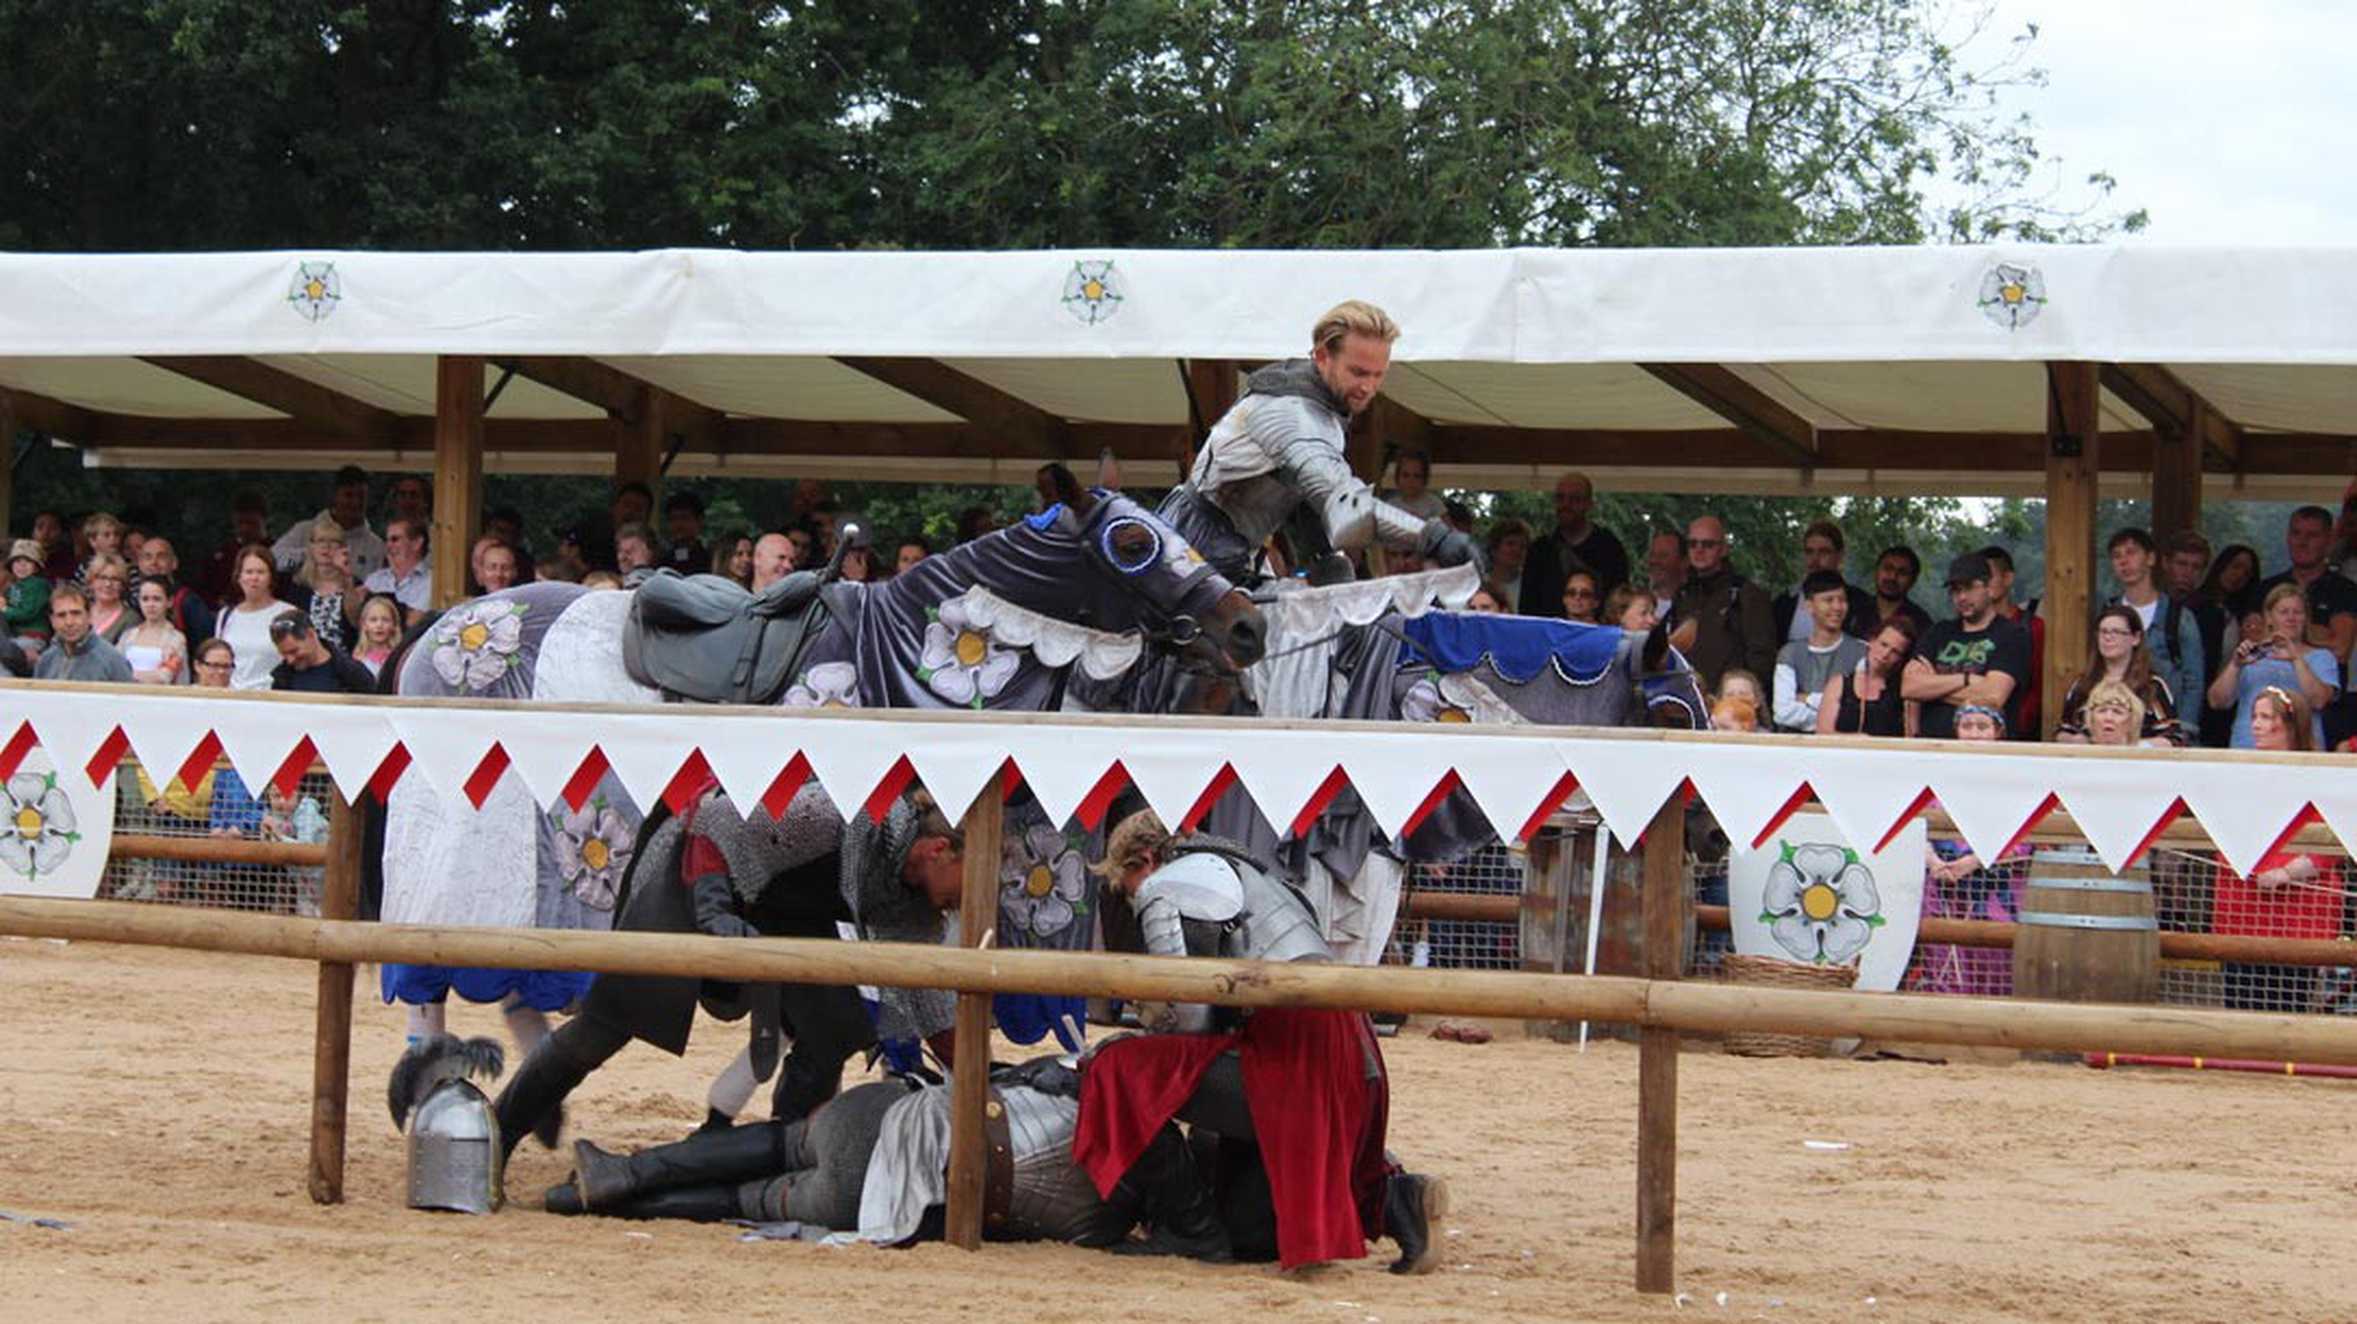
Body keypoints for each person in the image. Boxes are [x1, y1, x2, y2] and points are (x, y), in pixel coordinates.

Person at [492, 785, 968, 1160]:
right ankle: (497, 1134)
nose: (962, 905)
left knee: (834, 1025)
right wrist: (712, 907)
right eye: (968, 880)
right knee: (611, 1022)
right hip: (695, 872)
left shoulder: (916, 894)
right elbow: (716, 818)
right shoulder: (840, 810)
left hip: (783, 906)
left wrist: (972, 1074)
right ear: (938, 850)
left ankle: (780, 1159)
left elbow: (926, 993)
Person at [1074, 811, 1448, 1274]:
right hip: (1345, 1029)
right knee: (1293, 1159)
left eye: (1127, 880)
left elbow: (1185, 1017)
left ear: (1146, 859)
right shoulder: (1250, 871)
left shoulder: (1163, 886)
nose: (1131, 892)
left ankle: (1192, 1232)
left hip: (1288, 1040)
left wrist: (1142, 1028)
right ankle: (1398, 1200)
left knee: (1118, 1068)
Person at [538, 1059, 1133, 1248]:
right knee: (748, 1201)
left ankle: (624, 1174)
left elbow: (1001, 1074)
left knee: (783, 1141)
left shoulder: (1080, 1087)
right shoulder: (1100, 1227)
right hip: (870, 1209)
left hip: (879, 1125)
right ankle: (612, 1203)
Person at [1156, 300, 1478, 585]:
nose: (1369, 387)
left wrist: (1325, 563)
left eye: (1378, 375)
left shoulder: (1325, 411)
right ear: (1323, 356)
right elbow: (1345, 506)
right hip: (1190, 557)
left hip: (1232, 555)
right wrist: (1433, 538)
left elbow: (1303, 503)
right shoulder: (1292, 414)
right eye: (1358, 372)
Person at [2214, 686, 2340, 1013]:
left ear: (2289, 723)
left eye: (2266, 717)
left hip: (2297, 912)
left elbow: (2331, 843)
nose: (2256, 724)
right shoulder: (2239, 776)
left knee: (2290, 1003)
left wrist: (2287, 872)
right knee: (2239, 1000)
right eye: (2254, 716)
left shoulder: (2320, 775)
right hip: (2244, 907)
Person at [1902, 552, 2031, 740]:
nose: (1961, 597)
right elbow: (1909, 687)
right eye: (1955, 590)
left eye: (1969, 588)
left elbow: (1993, 696)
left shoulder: (2012, 634)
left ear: (1989, 587)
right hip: (1933, 749)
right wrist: (1967, 679)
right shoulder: (1938, 632)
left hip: (1985, 751)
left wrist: (1931, 689)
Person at [2210, 582, 2337, 748]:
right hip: (2248, 748)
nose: (2291, 618)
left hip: (2301, 752)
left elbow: (2319, 701)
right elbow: (2217, 701)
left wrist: (2296, 659)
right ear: (2269, 617)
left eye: (2298, 612)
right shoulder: (2250, 654)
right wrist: (2235, 665)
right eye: (2284, 612)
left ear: (2306, 618)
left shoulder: (2322, 657)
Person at [2105, 528, 2205, 733]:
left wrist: (2183, 731)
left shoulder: (2179, 617)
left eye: (2131, 552)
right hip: (2115, 726)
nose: (2124, 561)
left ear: (2151, 559)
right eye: (2117, 555)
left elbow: (2194, 681)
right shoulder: (2107, 612)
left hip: (2166, 730)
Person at [2050, 605, 2185, 747]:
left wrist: (2136, 747)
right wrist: (2078, 741)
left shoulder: (2151, 686)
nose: (2108, 638)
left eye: (2117, 632)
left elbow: (2173, 738)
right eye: (2103, 632)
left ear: (2136, 638)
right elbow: (2063, 731)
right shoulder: (2083, 684)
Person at [1772, 569, 1869, 733]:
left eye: (1842, 600)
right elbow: (1783, 713)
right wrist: (1833, 709)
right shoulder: (1790, 653)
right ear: (1809, 606)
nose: (1837, 607)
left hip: (1843, 745)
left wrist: (1806, 698)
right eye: (1829, 600)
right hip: (1796, 745)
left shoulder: (1862, 651)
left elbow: (1858, 711)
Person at [2258, 506, 2357, 667]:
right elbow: (2252, 641)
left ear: (2329, 540)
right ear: (2288, 538)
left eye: (2312, 535)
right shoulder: (2265, 588)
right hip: (2270, 687)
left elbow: (2340, 650)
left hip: (2322, 688)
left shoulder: (2345, 590)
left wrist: (2277, 630)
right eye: (2296, 533)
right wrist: (2319, 634)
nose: (2302, 542)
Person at [1521, 471, 1630, 615]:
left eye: (1575, 499)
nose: (1566, 504)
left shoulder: (1609, 548)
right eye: (1560, 498)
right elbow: (1527, 607)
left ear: (1589, 504)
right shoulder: (1540, 550)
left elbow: (1619, 603)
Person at [1977, 545, 2045, 738]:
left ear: (2007, 578)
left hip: (2018, 730)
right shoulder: (1967, 627)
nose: (1983, 584)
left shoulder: (2033, 626)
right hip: (1972, 727)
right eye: (1978, 579)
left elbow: (2039, 683)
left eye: (1988, 576)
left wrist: (2021, 720)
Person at [272, 465, 386, 579]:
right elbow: (273, 560)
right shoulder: (304, 530)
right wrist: (311, 554)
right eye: (348, 495)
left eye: (361, 496)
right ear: (335, 496)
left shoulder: (376, 546)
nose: (355, 502)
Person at [1771, 520, 1875, 644]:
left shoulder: (1860, 603)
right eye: (1809, 552)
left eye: (1824, 552)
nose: (1815, 559)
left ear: (1840, 555)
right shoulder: (1786, 602)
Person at [1818, 617, 1919, 738]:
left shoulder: (1905, 691)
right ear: (1871, 641)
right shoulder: (1839, 684)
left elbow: (1911, 738)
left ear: (1901, 659)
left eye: (1895, 652)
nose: (1885, 654)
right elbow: (1823, 732)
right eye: (1883, 644)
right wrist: (1856, 740)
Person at [216, 544, 295, 691]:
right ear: (239, 576)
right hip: (231, 698)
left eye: (260, 572)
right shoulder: (226, 615)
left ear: (271, 577)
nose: (254, 577)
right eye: (248, 572)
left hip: (272, 698)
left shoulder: (287, 614)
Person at [33, 582, 133, 682]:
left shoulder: (112, 661)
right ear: (52, 621)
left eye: (76, 613)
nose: (69, 622)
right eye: (61, 615)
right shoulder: (46, 661)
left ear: (89, 616)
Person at [265, 610, 377, 694]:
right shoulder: (282, 678)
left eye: (294, 651)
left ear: (310, 635)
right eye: (284, 654)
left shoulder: (352, 673)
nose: (290, 660)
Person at [290, 517, 359, 652]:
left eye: (333, 542)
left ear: (343, 548)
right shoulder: (299, 585)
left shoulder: (354, 583)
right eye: (320, 540)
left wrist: (346, 577)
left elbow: (356, 621)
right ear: (311, 546)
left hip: (344, 664)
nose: (326, 547)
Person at [195, 491, 271, 605]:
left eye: (251, 523)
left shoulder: (277, 552)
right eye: (240, 523)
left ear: (264, 520)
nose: (245, 529)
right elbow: (204, 592)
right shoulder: (221, 556)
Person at [361, 516, 432, 625]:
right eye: (387, 540)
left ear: (417, 543)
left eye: (395, 539)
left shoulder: (431, 583)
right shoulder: (374, 580)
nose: (388, 545)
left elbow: (417, 624)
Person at [120, 575, 190, 685]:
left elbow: (165, 676)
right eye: (145, 599)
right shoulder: (128, 636)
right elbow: (114, 667)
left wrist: (127, 676)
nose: (150, 605)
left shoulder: (177, 639)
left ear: (169, 602)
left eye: (157, 599)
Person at [1869, 545, 1933, 638]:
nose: (1892, 577)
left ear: (1912, 581)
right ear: (1876, 571)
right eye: (1888, 568)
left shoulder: (1920, 623)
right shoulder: (1855, 607)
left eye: (1902, 573)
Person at [5, 539, 51, 655]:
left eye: (28, 561)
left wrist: (4, 611)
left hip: (34, 638)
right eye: (17, 561)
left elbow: (28, 612)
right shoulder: (13, 586)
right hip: (15, 636)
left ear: (36, 567)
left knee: (5, 651)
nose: (22, 565)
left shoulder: (38, 585)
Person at [1479, 518, 1530, 612]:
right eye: (1510, 544)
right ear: (1494, 548)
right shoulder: (1479, 584)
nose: (1517, 550)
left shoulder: (1530, 585)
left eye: (1522, 546)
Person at [81, 552, 134, 642]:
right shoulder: (80, 612)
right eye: (102, 577)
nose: (108, 584)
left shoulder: (130, 619)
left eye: (115, 579)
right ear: (91, 581)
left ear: (123, 585)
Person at [1382, 449, 1445, 522]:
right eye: (1405, 475)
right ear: (1397, 478)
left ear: (1424, 480)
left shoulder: (1435, 504)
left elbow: (1447, 531)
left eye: (1417, 476)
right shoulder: (1391, 505)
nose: (1410, 481)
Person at [2079, 679, 2145, 747]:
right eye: (2102, 711)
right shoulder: (2076, 756)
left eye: (2117, 712)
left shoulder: (2145, 756)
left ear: (2131, 721)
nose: (2108, 718)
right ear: (2091, 719)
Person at [351, 593, 405, 677]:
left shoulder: (400, 658)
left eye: (385, 620)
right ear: (364, 625)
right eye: (373, 620)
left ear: (394, 625)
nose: (379, 625)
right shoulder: (358, 658)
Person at [663, 491, 710, 572]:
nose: (678, 525)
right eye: (673, 519)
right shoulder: (662, 559)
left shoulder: (710, 560)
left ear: (700, 521)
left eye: (684, 518)